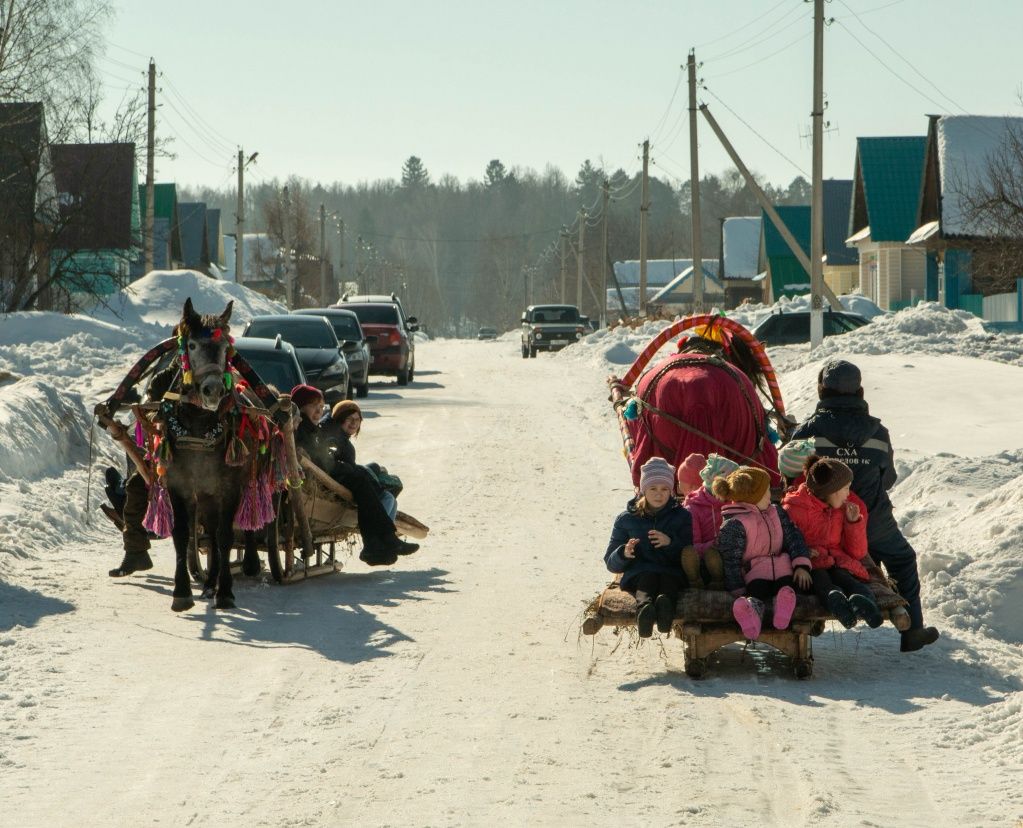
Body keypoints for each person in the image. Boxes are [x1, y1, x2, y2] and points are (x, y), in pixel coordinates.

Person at [789, 359, 939, 653]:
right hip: (872, 524)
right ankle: (913, 631)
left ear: (822, 390)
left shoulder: (806, 432)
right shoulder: (878, 433)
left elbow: (791, 478)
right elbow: (889, 479)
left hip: (818, 528)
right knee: (903, 560)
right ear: (859, 392)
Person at [291, 384, 417, 566]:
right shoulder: (305, 427)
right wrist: (348, 468)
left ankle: (378, 543)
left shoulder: (312, 427)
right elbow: (321, 461)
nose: (319, 410)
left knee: (365, 481)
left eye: (321, 406)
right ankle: (383, 540)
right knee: (362, 480)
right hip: (318, 478)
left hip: (323, 474)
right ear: (301, 406)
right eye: (314, 406)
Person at [782, 456, 883, 629]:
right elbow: (782, 541)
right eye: (845, 488)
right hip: (810, 565)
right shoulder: (795, 509)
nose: (848, 494)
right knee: (823, 583)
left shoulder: (840, 509)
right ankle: (837, 602)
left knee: (850, 582)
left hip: (836, 561)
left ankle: (867, 605)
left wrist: (853, 523)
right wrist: (802, 552)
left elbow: (857, 553)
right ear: (831, 490)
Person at [714, 466, 813, 641]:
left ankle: (782, 605)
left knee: (789, 587)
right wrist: (738, 590)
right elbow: (731, 560)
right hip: (755, 573)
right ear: (754, 496)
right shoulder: (735, 524)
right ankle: (751, 612)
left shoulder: (777, 512)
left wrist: (801, 564)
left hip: (784, 567)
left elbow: (792, 536)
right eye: (766, 491)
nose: (770, 495)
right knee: (757, 592)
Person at [604, 457, 694, 638]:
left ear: (671, 490)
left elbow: (690, 551)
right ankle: (645, 610)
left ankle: (665, 608)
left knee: (669, 582)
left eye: (664, 489)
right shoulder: (627, 519)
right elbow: (611, 562)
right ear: (644, 489)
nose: (659, 494)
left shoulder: (682, 516)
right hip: (639, 571)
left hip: (672, 570)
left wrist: (671, 543)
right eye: (653, 488)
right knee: (647, 580)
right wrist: (624, 552)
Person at [107, 362, 178, 578]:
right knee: (135, 487)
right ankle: (136, 553)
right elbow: (148, 409)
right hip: (165, 456)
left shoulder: (215, 377)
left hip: (204, 460)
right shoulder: (162, 380)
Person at [321, 400, 398, 521]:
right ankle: (380, 534)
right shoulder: (333, 437)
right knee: (387, 497)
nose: (354, 423)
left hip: (346, 479)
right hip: (341, 486)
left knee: (377, 471)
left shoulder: (337, 434)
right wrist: (352, 468)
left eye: (357, 419)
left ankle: (387, 535)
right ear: (340, 418)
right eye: (349, 418)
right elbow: (331, 465)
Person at [677, 453, 737, 590]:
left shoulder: (733, 503)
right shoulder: (693, 509)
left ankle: (719, 581)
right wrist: (714, 545)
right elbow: (694, 544)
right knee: (710, 557)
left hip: (730, 558)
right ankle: (696, 580)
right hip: (705, 559)